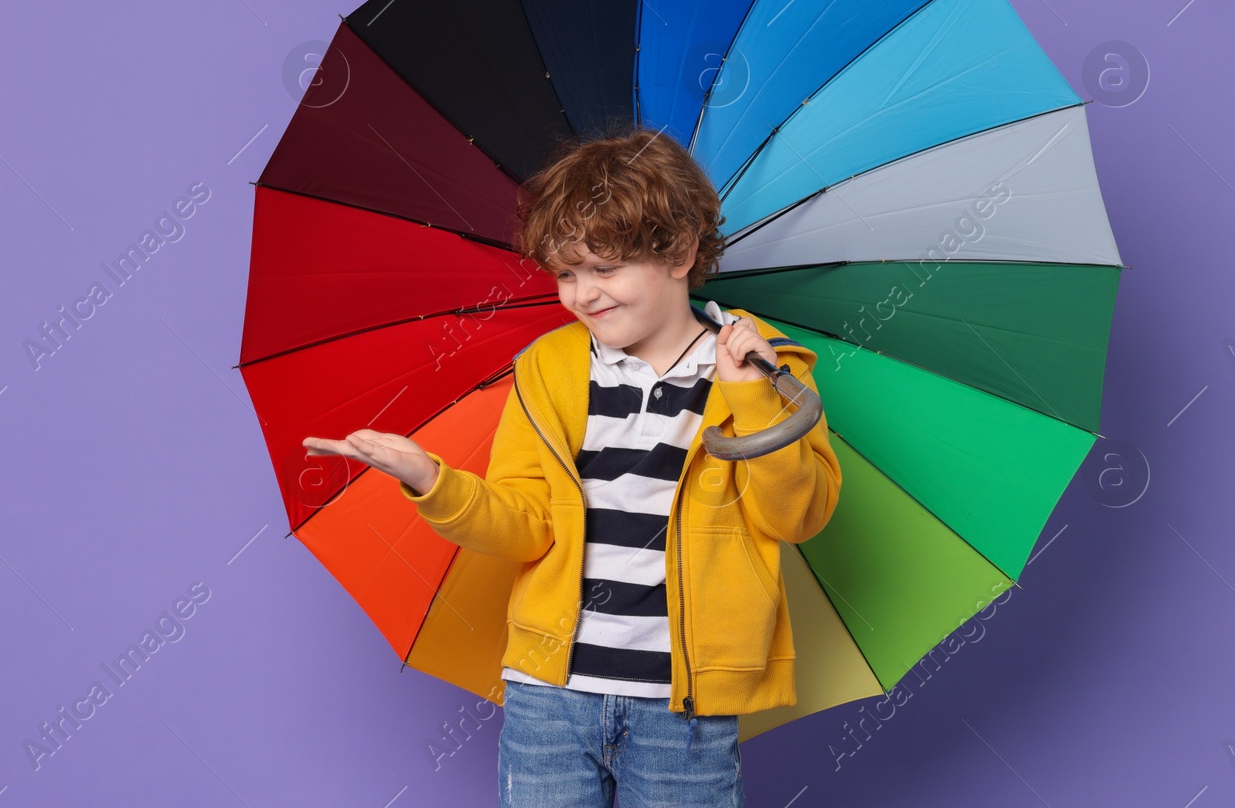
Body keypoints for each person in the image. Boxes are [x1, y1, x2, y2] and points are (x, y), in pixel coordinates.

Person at [303, 127, 842, 807]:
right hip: (548, 699)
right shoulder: (549, 368)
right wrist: (431, 480)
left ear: (678, 251)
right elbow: (525, 526)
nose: (583, 294)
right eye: (565, 272)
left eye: (604, 268)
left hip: (685, 709)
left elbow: (797, 515)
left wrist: (750, 395)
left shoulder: (767, 368)